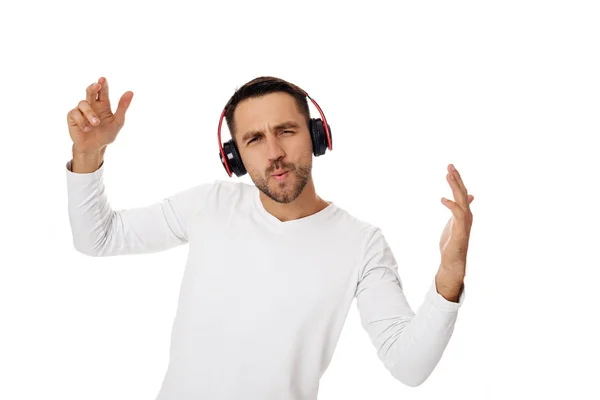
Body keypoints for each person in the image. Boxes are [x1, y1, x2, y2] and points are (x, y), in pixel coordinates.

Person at [65, 75, 475, 399]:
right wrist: (88, 153)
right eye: (254, 139)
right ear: (235, 157)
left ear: (316, 137)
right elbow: (97, 238)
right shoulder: (210, 204)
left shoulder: (361, 244)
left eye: (286, 131)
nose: (274, 151)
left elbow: (410, 366)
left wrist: (450, 273)